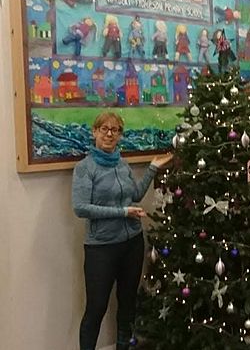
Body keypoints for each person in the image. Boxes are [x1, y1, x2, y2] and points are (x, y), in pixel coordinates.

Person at [72, 112, 172, 350]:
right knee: (96, 309)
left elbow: (135, 195)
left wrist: (152, 169)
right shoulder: (85, 168)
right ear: (95, 132)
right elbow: (80, 208)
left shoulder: (123, 164)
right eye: (104, 129)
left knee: (127, 305)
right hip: (101, 248)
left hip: (132, 244)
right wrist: (122, 212)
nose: (109, 134)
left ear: (120, 135)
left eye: (115, 130)